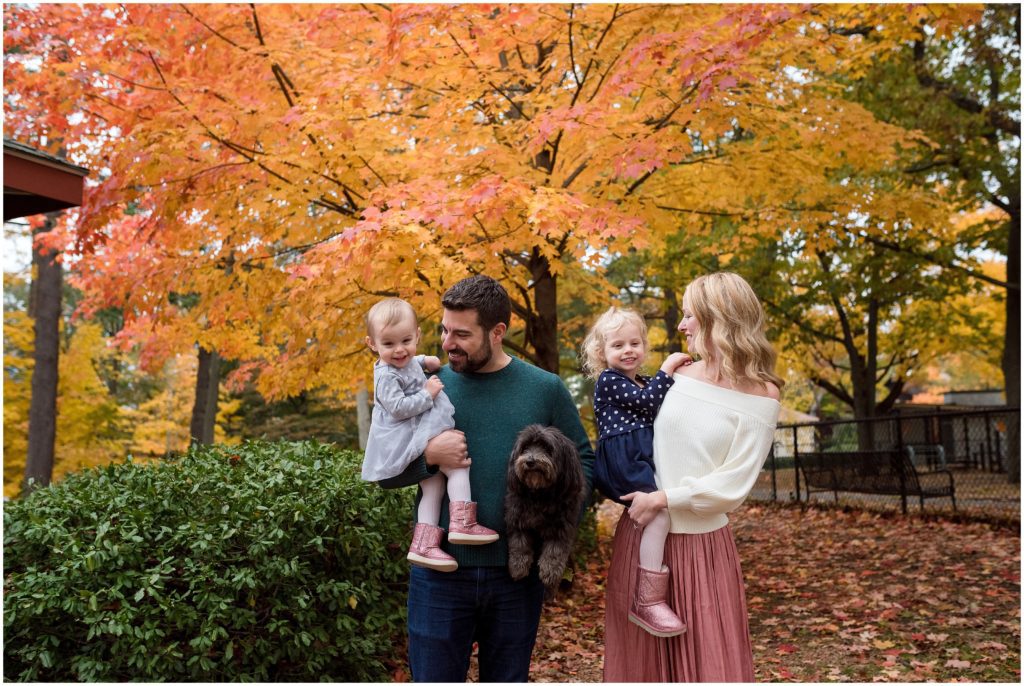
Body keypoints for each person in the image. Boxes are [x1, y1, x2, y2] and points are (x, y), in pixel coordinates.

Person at [378, 275, 595, 683]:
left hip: (516, 575)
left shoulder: (544, 388)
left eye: (461, 333)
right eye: (444, 330)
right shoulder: (421, 388)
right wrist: (428, 459)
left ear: (498, 332)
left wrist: (557, 527)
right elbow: (383, 472)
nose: (447, 343)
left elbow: (583, 460)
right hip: (439, 575)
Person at [603, 272, 783, 682]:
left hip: (701, 548)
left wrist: (664, 499)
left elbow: (733, 483)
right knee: (641, 665)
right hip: (643, 535)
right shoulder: (677, 376)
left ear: (719, 317)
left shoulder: (762, 395)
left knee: (709, 663)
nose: (681, 326)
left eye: (689, 316)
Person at [362, 298, 498, 572]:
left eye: (407, 341)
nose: (400, 350)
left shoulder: (406, 360)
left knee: (433, 487)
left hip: (414, 427)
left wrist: (426, 359)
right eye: (388, 344)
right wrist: (428, 393)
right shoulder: (386, 377)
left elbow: (412, 362)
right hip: (405, 431)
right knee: (457, 466)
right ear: (372, 344)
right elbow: (399, 408)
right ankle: (463, 522)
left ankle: (423, 544)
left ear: (417, 336)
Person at [580, 307, 691, 637]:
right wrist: (669, 368)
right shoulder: (609, 380)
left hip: (640, 453)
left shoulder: (639, 380)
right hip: (624, 457)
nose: (628, 350)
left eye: (634, 343)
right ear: (602, 353)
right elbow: (647, 403)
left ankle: (651, 592)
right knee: (659, 516)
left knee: (662, 512)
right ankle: (648, 600)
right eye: (618, 346)